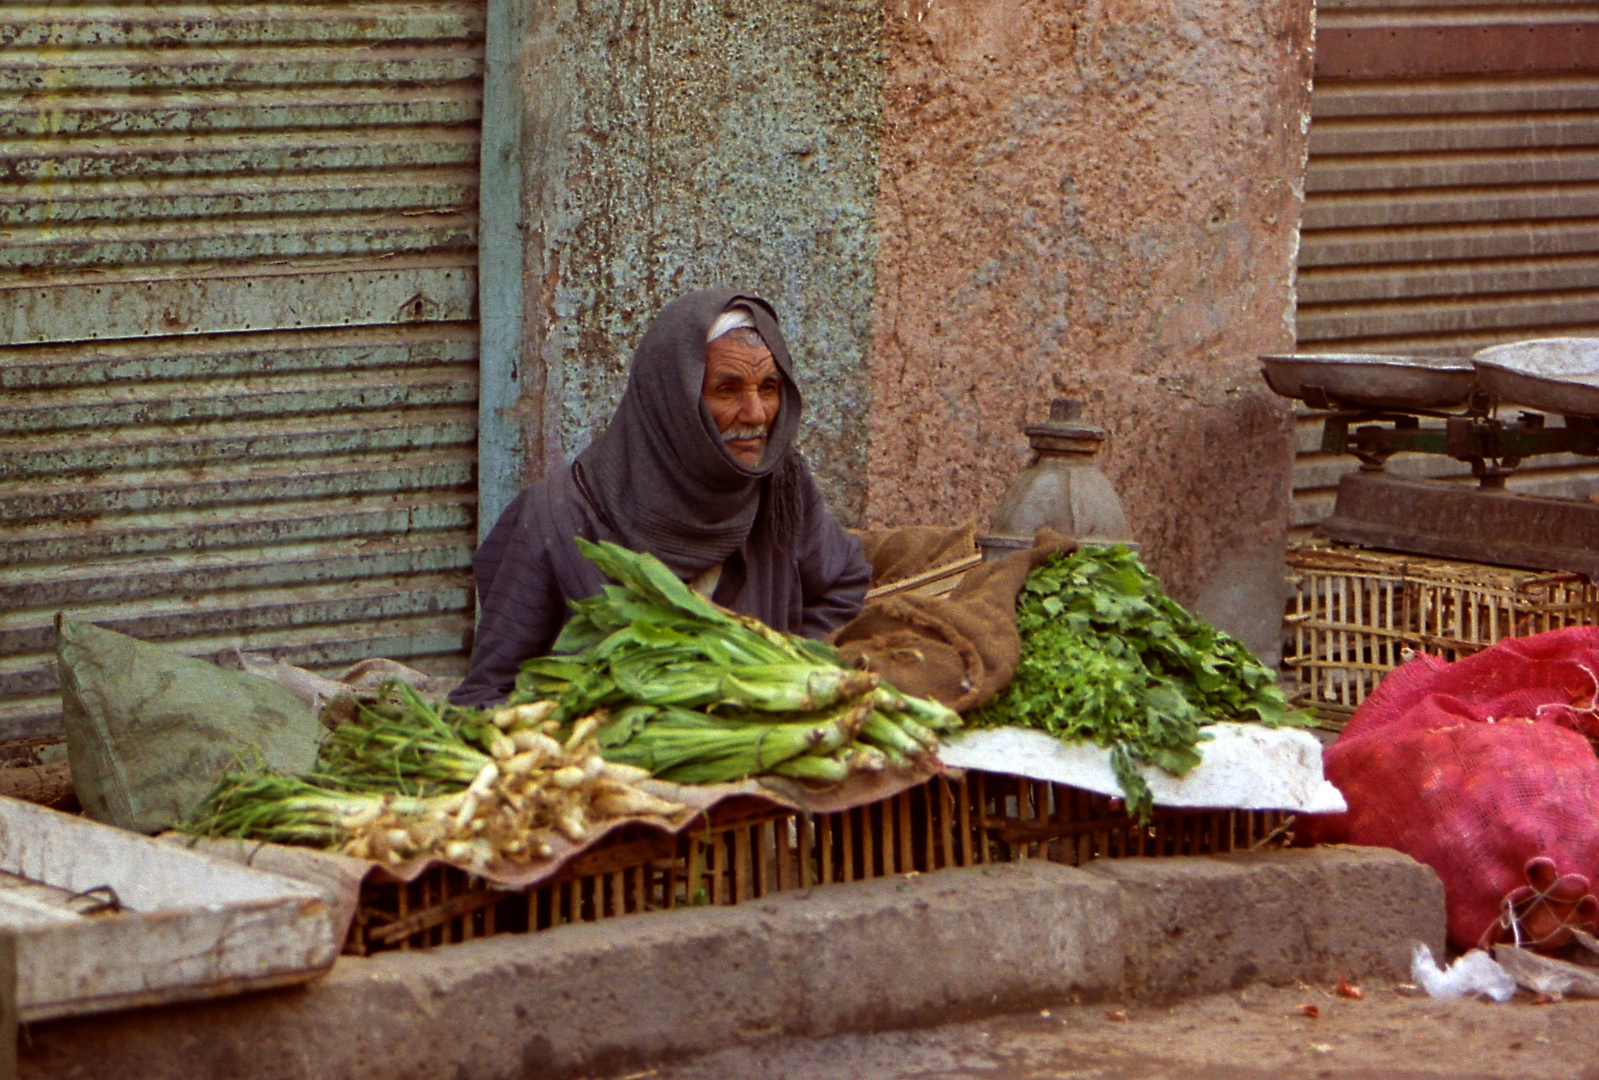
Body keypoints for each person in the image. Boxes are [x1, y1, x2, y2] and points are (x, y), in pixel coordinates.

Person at [450, 288, 872, 706]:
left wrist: (779, 672)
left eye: (768, 387)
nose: (757, 413)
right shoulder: (557, 517)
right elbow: (488, 691)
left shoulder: (781, 488)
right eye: (727, 390)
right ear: (673, 399)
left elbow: (844, 583)